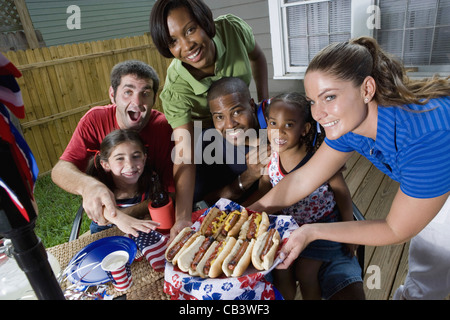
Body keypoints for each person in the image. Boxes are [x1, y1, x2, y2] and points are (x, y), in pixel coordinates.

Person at [248, 37, 450, 299]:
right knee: (427, 273)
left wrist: (311, 231)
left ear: (366, 89)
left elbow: (395, 229)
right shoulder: (348, 125)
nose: (318, 114)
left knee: (433, 263)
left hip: (439, 156)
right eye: (312, 101)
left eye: (329, 97)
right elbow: (301, 180)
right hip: (437, 173)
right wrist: (246, 214)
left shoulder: (426, 137)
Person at [150, 0, 269, 240]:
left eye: (190, 29)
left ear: (205, 22)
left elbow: (258, 58)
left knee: (267, 154)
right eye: (173, 41)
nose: (187, 46)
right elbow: (184, 153)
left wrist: (265, 110)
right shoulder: (176, 89)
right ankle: (225, 201)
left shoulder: (233, 30)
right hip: (205, 135)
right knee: (216, 173)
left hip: (242, 119)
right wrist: (183, 217)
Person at [256, 92, 363, 300]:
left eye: (288, 125)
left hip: (323, 226)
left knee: (305, 271)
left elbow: (341, 193)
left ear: (304, 129)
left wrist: (351, 230)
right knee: (281, 268)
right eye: (272, 123)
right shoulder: (271, 158)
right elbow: (265, 189)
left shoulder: (319, 160)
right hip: (289, 227)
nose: (278, 131)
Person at [51, 60, 174, 231]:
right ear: (112, 94)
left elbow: (172, 192)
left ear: (154, 98)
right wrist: (89, 186)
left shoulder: (163, 127)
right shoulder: (94, 120)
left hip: (148, 214)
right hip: (105, 218)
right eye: (128, 92)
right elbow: (60, 170)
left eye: (145, 93)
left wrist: (119, 217)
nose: (137, 102)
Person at [194, 77, 270, 206]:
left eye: (236, 112)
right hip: (232, 217)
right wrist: (248, 177)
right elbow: (204, 201)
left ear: (251, 106)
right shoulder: (209, 141)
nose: (230, 125)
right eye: (219, 117)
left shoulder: (273, 124)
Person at [85, 129, 158, 237]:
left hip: (140, 238)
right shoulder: (102, 189)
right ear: (106, 164)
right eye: (120, 158)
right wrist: (117, 217)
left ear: (144, 159)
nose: (130, 164)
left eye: (136, 156)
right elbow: (102, 215)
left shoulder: (150, 181)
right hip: (107, 239)